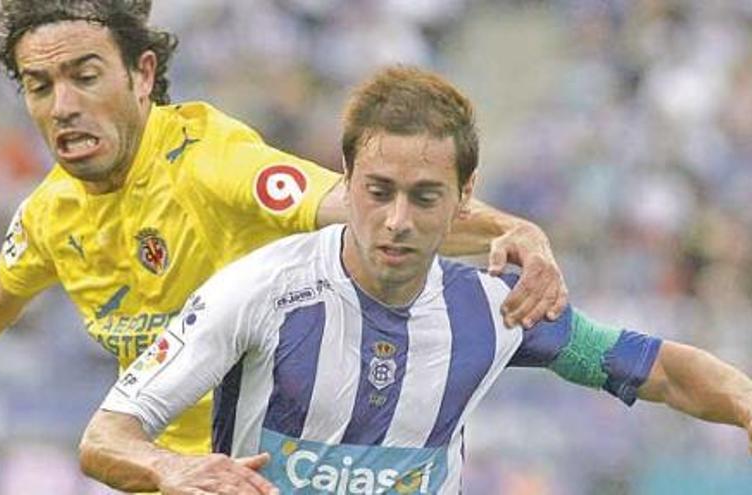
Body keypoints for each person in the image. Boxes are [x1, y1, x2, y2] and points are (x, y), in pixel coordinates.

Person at [0, 0, 567, 456]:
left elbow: (368, 209)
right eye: (40, 85)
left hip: (285, 466)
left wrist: (515, 230)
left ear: (143, 74)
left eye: (86, 76)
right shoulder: (54, 210)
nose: (64, 106)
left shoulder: (209, 160)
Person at [78, 66, 752, 495]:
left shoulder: (496, 310)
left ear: (466, 196)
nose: (396, 220)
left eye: (425, 196)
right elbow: (106, 436)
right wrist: (176, 467)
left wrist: (747, 404)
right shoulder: (259, 292)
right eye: (379, 190)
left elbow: (652, 368)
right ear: (346, 176)